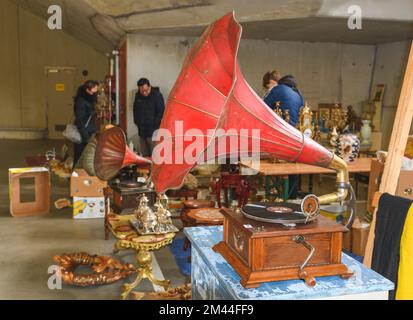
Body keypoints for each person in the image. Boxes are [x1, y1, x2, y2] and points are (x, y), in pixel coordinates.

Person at [133, 78, 165, 157]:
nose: (144, 92)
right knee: (145, 157)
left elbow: (161, 112)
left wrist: (155, 126)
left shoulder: (157, 96)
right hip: (142, 132)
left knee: (155, 156)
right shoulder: (138, 96)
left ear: (149, 86)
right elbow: (135, 111)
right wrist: (137, 122)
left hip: (153, 132)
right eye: (142, 91)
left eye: (146, 90)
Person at [73, 80, 99, 166]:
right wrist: (86, 137)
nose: (97, 89)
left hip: (89, 131)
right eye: (94, 88)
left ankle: (81, 176)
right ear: (88, 89)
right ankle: (75, 177)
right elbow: (80, 120)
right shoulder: (81, 101)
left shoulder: (90, 98)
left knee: (87, 158)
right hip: (83, 133)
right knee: (79, 156)